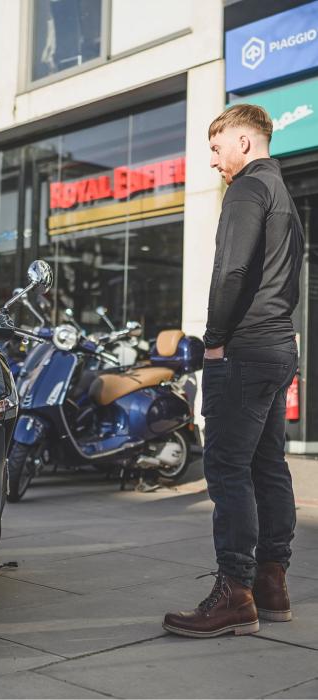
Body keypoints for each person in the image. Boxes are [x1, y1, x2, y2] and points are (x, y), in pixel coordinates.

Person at [163, 104, 304, 638]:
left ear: (244, 143)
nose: (215, 163)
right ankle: (272, 584)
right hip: (276, 345)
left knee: (225, 469)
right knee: (268, 465)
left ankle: (234, 594)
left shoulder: (247, 188)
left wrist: (214, 340)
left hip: (244, 349)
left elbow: (235, 269)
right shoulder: (283, 193)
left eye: (218, 149)